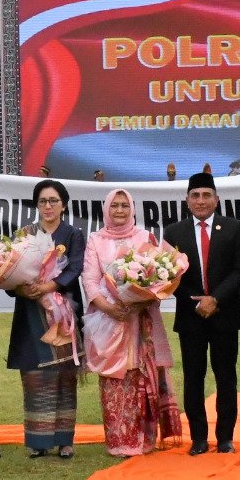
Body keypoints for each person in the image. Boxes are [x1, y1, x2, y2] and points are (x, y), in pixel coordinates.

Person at [84, 188, 181, 456]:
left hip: (142, 320)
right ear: (106, 209)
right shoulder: (95, 240)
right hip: (109, 321)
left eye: (124, 205)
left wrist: (140, 300)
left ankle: (145, 439)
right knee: (114, 378)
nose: (119, 210)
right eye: (114, 205)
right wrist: (110, 308)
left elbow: (159, 277)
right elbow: (89, 279)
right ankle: (119, 441)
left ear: (132, 209)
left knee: (142, 374)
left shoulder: (145, 237)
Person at [165, 172, 240, 455]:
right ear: (187, 200)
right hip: (191, 317)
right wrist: (196, 303)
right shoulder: (173, 233)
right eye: (195, 196)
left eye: (206, 195)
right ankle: (198, 438)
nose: (200, 201)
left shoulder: (234, 228)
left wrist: (215, 299)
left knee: (226, 377)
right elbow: (169, 276)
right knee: (193, 377)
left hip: (225, 313)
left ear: (217, 199)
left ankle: (225, 437)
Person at [6, 179, 86, 458]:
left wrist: (49, 287)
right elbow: (8, 270)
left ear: (64, 205)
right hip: (31, 313)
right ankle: (39, 441)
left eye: (53, 201)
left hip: (63, 312)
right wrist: (21, 288)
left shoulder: (73, 234)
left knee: (64, 375)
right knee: (35, 375)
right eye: (43, 201)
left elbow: (75, 268)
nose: (48, 206)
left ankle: (65, 440)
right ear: (36, 205)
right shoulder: (23, 235)